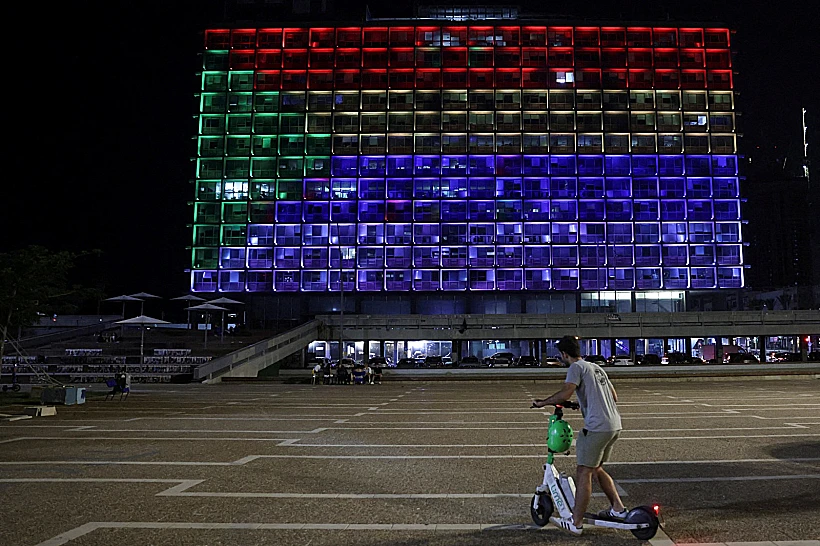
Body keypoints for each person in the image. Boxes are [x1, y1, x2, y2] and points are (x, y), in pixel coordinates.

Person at [531, 335, 625, 536]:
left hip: (597, 427)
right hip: (614, 425)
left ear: (564, 354)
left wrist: (543, 402)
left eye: (561, 355)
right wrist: (580, 403)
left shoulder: (575, 367)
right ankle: (618, 509)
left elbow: (565, 392)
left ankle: (576, 522)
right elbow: (613, 396)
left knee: (583, 472)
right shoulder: (595, 367)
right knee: (596, 468)